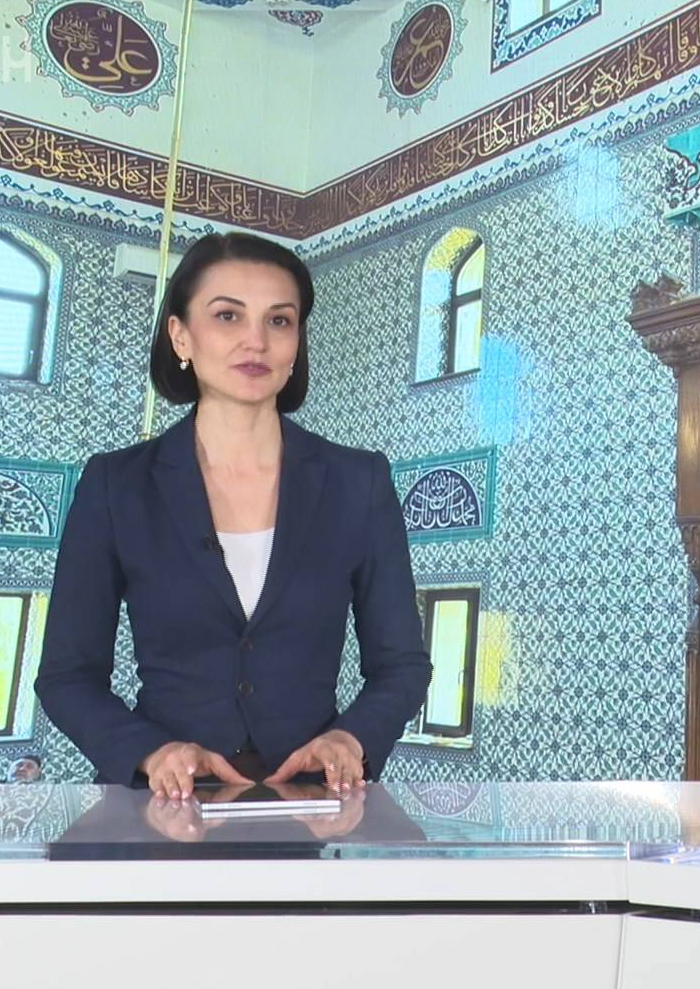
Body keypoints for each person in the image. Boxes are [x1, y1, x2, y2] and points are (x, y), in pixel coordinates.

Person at [36, 232, 432, 799]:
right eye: (228, 316)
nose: (256, 341)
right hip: (164, 806)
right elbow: (67, 677)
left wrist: (351, 739)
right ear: (181, 335)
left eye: (279, 320)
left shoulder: (357, 482)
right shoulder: (117, 486)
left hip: (311, 805)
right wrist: (152, 752)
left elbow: (402, 665)